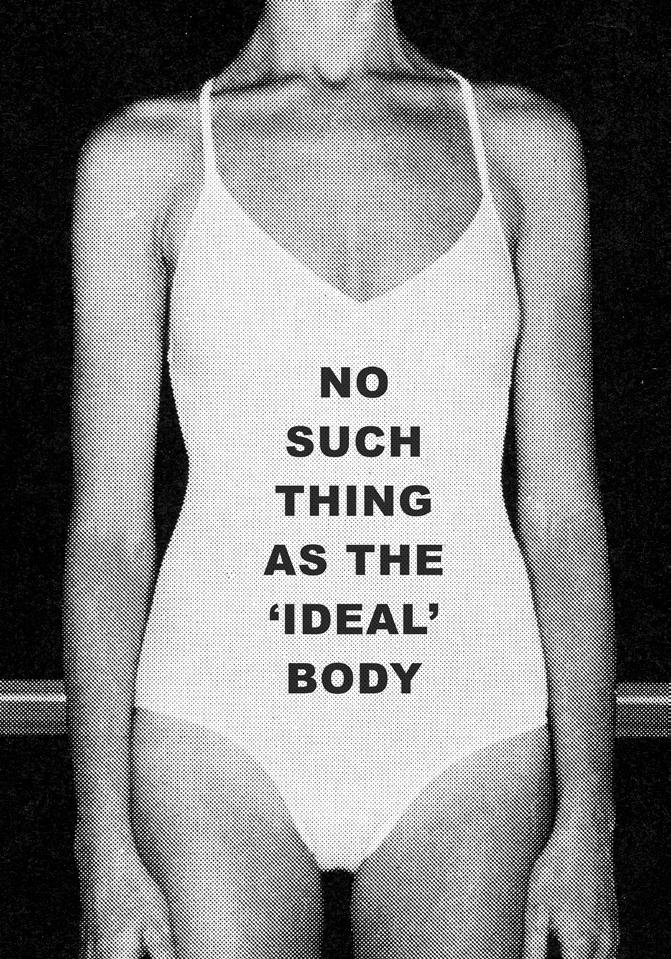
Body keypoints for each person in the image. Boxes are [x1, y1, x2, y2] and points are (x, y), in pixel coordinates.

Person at [64, 1, 620, 956]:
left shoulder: (522, 145)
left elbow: (562, 511)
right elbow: (109, 532)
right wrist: (102, 842)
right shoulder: (145, 158)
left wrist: (589, 823)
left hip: (468, 732)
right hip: (217, 729)